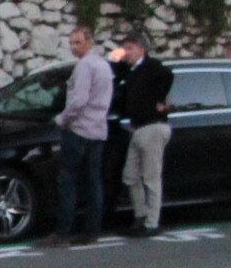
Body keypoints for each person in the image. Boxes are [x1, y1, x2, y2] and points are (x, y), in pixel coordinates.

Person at [41, 26, 114, 246]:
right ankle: (92, 230)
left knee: (68, 182)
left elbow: (78, 101)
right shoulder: (103, 65)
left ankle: (63, 232)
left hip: (79, 130)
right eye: (72, 43)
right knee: (94, 183)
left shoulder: (85, 66)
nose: (74, 47)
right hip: (98, 130)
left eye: (78, 42)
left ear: (89, 41)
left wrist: (61, 119)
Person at [118, 34, 174, 237]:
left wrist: (158, 99)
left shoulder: (152, 67)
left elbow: (168, 75)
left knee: (151, 176)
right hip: (137, 127)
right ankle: (140, 214)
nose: (127, 53)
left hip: (153, 126)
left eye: (130, 48)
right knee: (130, 175)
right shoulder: (131, 71)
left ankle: (152, 221)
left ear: (141, 49)